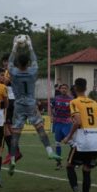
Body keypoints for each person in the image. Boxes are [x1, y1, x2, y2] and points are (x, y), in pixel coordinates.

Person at [7, 35, 61, 176]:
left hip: (18, 104)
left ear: (18, 64)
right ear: (28, 63)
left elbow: (9, 63)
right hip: (31, 104)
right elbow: (35, 60)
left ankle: (12, 158)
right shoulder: (32, 71)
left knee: (16, 133)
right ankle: (49, 151)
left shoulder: (13, 72)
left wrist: (15, 47)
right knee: (40, 128)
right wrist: (30, 46)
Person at [62, 78, 97, 192]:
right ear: (86, 88)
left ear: (74, 88)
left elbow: (77, 121)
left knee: (69, 166)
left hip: (82, 140)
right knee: (86, 170)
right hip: (96, 140)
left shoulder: (74, 102)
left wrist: (68, 137)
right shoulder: (94, 103)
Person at [1, 53, 23, 165]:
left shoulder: (11, 71)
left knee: (5, 127)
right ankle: (14, 152)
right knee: (8, 127)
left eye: (7, 61)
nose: (5, 63)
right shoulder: (8, 71)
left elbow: (4, 83)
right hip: (11, 101)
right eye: (4, 61)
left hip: (10, 101)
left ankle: (13, 152)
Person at [51, 83, 73, 170]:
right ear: (60, 90)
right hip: (58, 123)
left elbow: (75, 110)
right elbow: (51, 107)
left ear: (67, 90)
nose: (64, 89)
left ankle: (73, 161)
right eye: (62, 88)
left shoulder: (71, 99)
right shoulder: (56, 98)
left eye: (65, 88)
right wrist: (52, 116)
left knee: (71, 142)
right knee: (57, 143)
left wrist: (71, 117)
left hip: (67, 123)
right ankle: (58, 163)